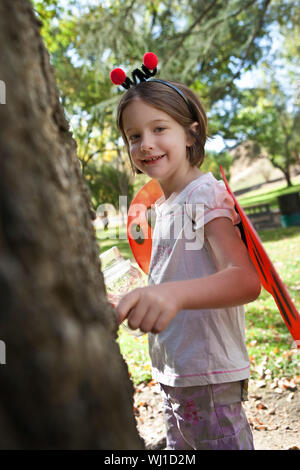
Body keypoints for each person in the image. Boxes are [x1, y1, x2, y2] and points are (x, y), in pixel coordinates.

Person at [115, 77, 261, 450]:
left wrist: (172, 295)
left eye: (159, 128)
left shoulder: (205, 194)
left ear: (191, 135)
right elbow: (173, 277)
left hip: (209, 375)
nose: (145, 143)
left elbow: (245, 281)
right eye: (134, 136)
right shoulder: (162, 207)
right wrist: (131, 301)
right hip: (175, 372)